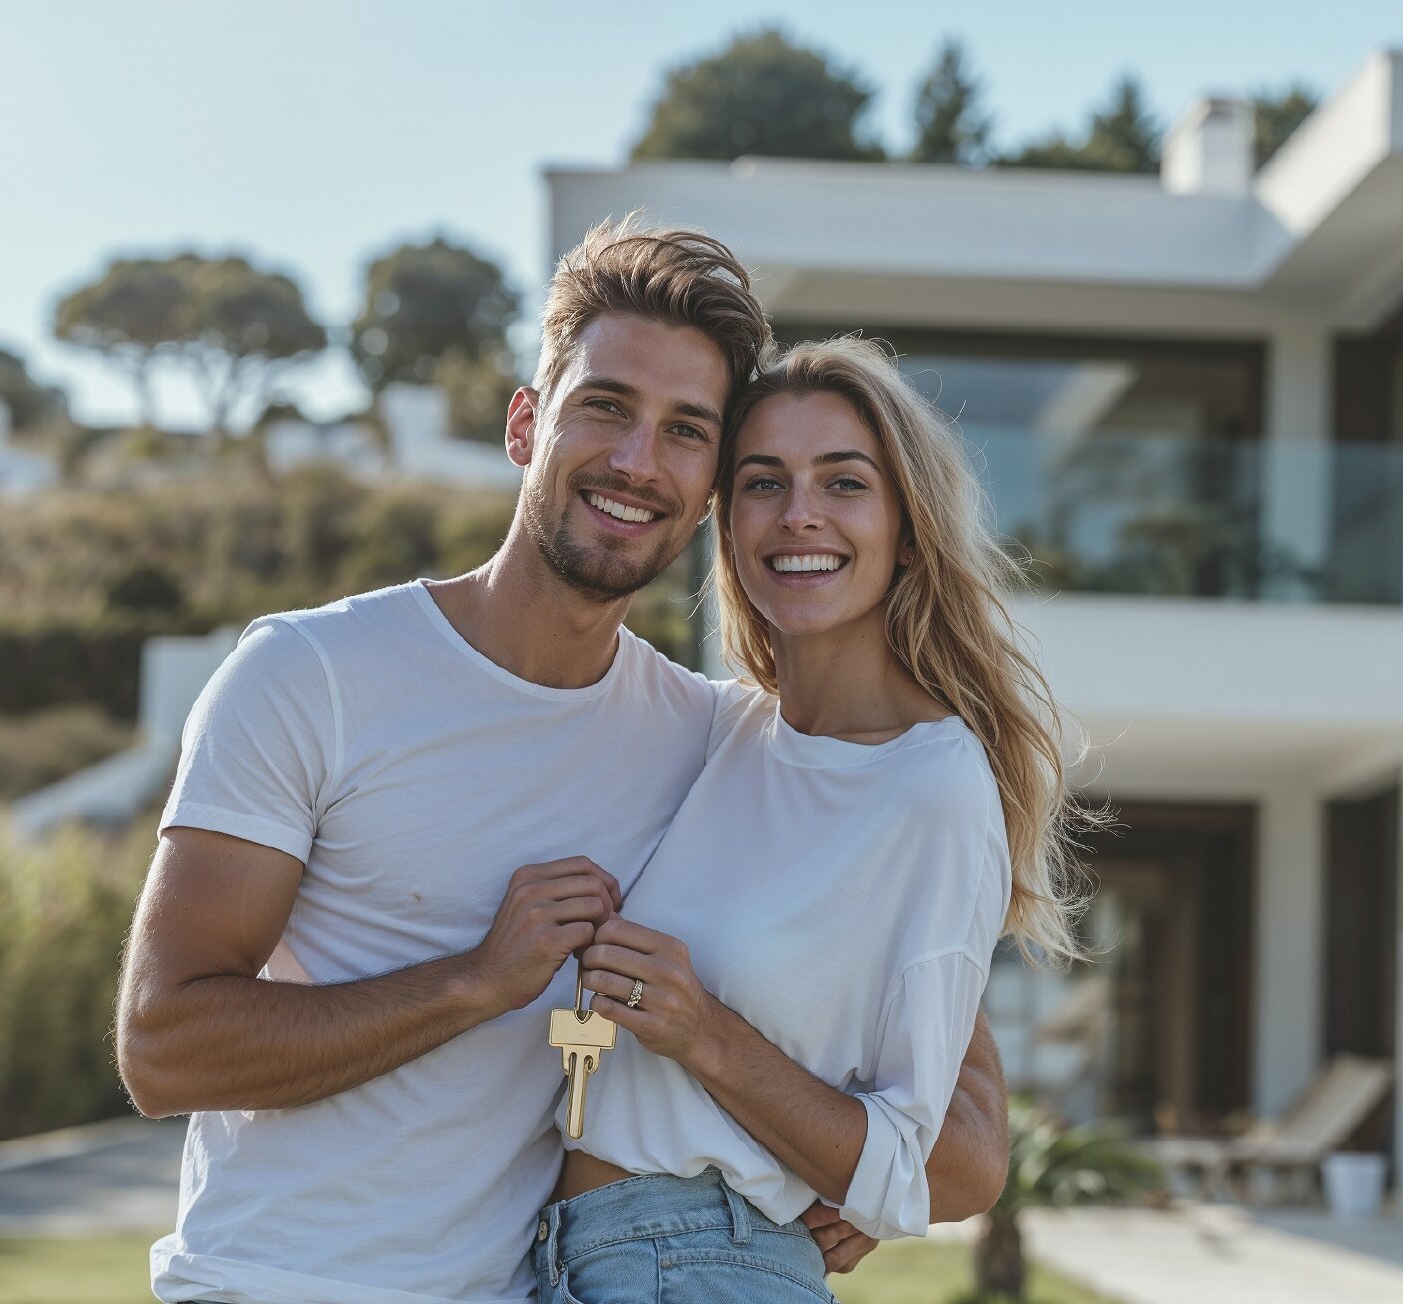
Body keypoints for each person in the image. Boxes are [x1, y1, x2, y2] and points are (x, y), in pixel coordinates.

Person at [115, 219, 1010, 1304]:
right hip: (277, 1281)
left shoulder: (715, 742)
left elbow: (959, 1141)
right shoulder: (313, 673)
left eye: (687, 431)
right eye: (605, 407)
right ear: (525, 423)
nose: (637, 461)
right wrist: (470, 982)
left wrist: (822, 1179)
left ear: (710, 489)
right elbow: (163, 1046)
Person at [539, 337, 1092, 1303]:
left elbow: (926, 1159)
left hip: (708, 1269)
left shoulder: (933, 788)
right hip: (564, 1256)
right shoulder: (716, 734)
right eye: (762, 482)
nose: (799, 516)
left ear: (907, 527)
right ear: (728, 521)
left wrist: (704, 1031)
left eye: (843, 483)